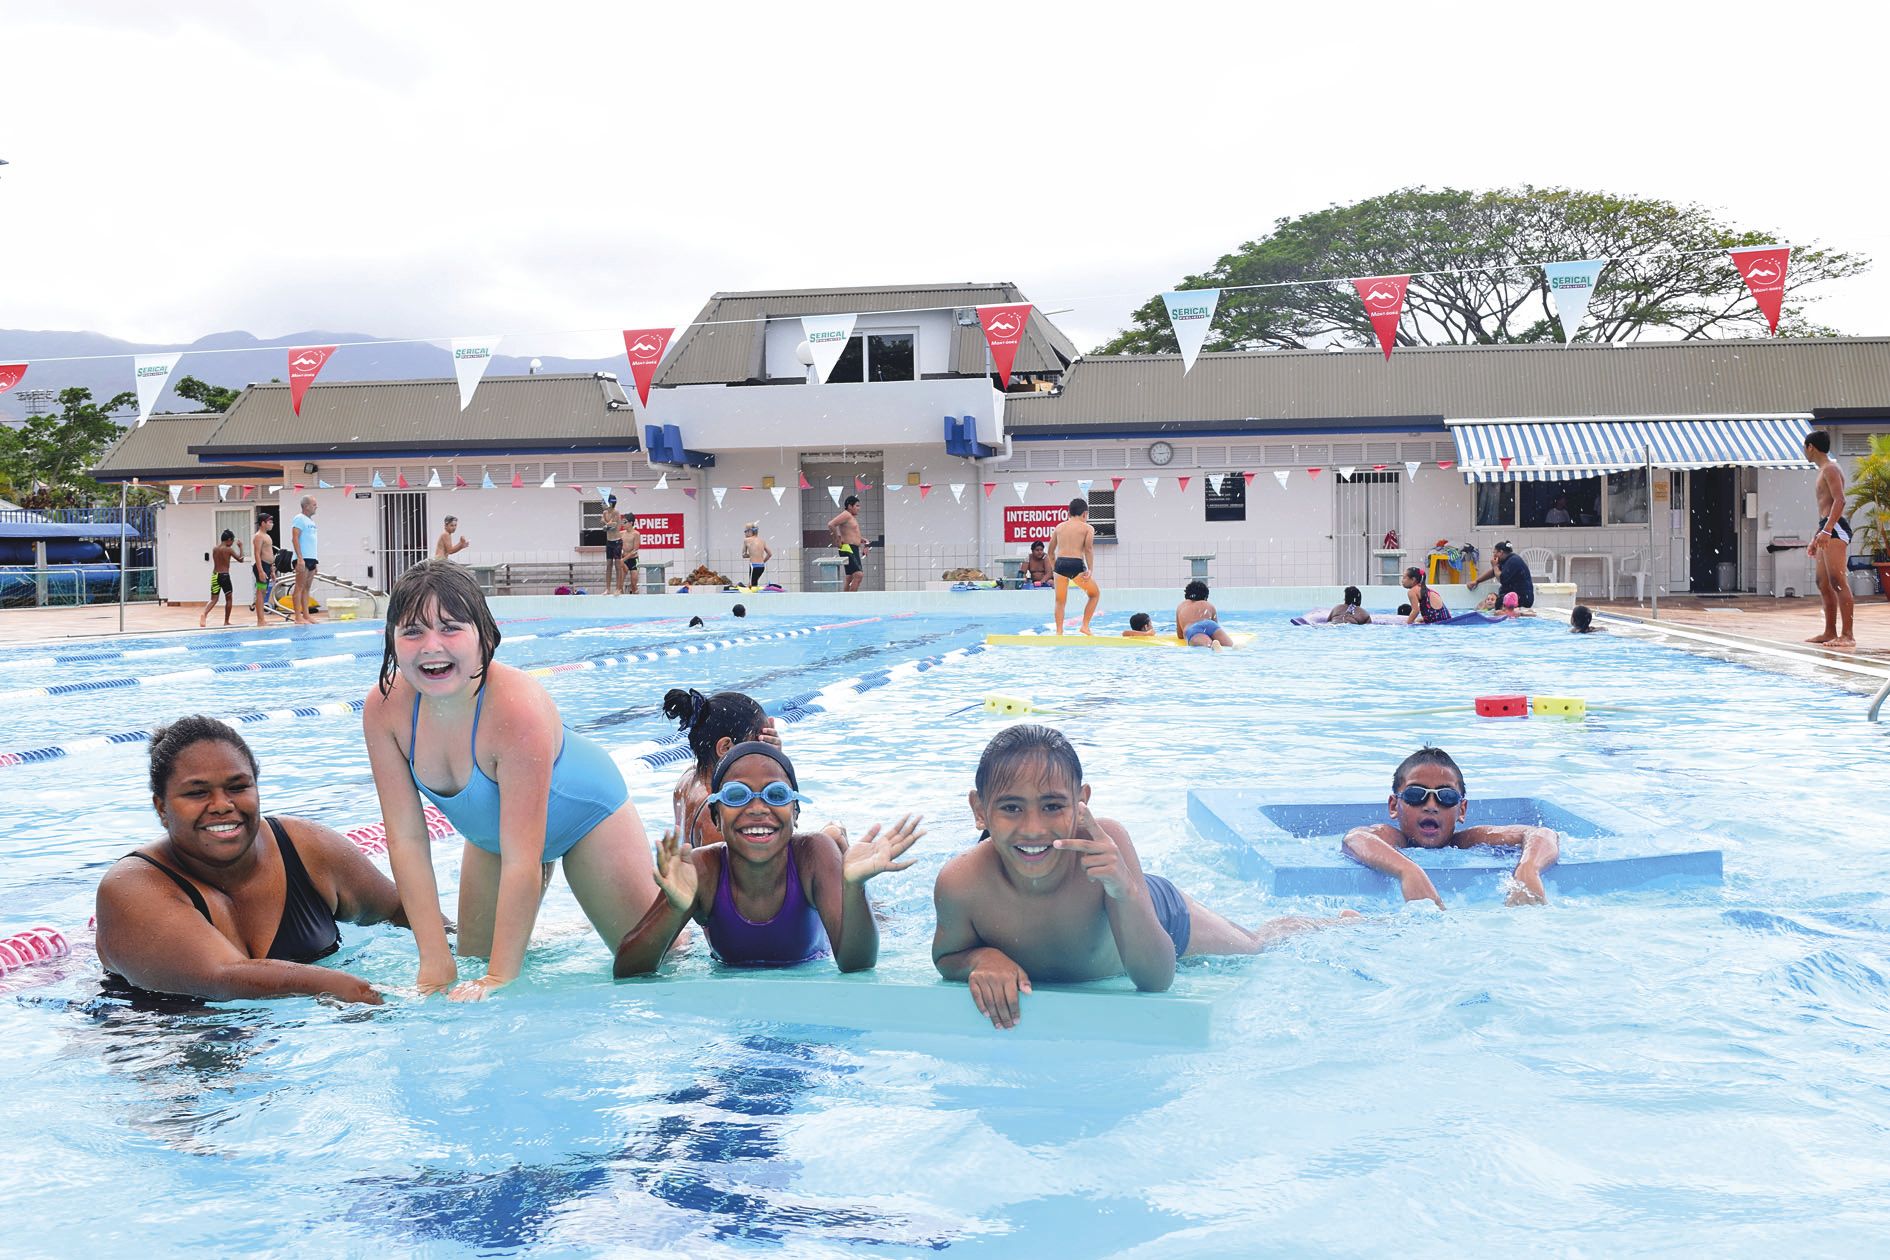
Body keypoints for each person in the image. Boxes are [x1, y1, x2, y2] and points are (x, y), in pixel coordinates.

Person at [932, 725, 1358, 1029]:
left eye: (1052, 806)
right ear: (979, 809)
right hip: (1120, 901)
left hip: (1150, 909)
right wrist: (982, 958)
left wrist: (1125, 890)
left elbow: (1155, 980)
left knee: (1256, 946)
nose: (1033, 829)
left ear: (1082, 803)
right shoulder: (961, 882)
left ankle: (1327, 923)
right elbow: (946, 957)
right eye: (1010, 808)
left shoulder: (1108, 843)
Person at [362, 560, 656, 1000]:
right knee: (471, 961)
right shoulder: (385, 710)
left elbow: (525, 858)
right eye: (413, 632)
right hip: (495, 839)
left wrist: (500, 979)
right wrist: (433, 959)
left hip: (587, 821)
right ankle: (558, 933)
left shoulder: (516, 709)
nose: (431, 646)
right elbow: (405, 839)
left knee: (649, 966)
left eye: (450, 628)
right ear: (391, 641)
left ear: (484, 635)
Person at [93, 716, 410, 1004]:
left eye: (238, 787)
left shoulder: (308, 847)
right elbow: (222, 978)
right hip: (154, 1035)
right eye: (196, 793)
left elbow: (401, 910)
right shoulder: (131, 888)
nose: (221, 805)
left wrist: (455, 953)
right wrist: (348, 989)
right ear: (161, 808)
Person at [615, 742, 922, 975]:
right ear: (716, 818)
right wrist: (673, 908)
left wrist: (855, 887)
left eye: (776, 795)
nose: (758, 808)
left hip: (812, 966)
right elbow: (627, 971)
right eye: (737, 796)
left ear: (796, 813)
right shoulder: (701, 871)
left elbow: (856, 965)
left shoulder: (814, 855)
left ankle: (838, 835)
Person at [1342, 746, 1560, 909]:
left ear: (1462, 810)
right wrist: (1408, 871)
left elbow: (1541, 833)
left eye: (1445, 797)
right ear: (1393, 805)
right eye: (1415, 795)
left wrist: (1529, 868)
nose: (1430, 806)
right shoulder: (1393, 839)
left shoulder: (1468, 841)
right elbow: (1356, 838)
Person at [662, 687, 780, 848]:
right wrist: (777, 769)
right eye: (759, 744)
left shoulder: (689, 778)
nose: (765, 753)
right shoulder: (718, 818)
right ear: (726, 747)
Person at [1805, 430, 1856, 649]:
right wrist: (1816, 536)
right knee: (1822, 582)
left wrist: (1827, 530)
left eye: (1804, 448)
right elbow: (1825, 508)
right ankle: (1829, 631)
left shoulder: (1831, 468)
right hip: (1826, 527)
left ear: (1810, 447)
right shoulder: (1823, 470)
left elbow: (1840, 501)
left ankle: (1848, 634)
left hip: (1835, 528)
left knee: (1837, 580)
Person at [1046, 498, 1100, 635]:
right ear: (1085, 514)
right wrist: (1090, 569)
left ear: (1068, 513)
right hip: (1076, 564)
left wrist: (1055, 568)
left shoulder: (1059, 527)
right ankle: (1085, 626)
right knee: (1094, 594)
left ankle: (1059, 632)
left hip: (1060, 564)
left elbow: (1050, 552)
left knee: (1060, 601)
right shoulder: (1088, 528)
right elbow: (1088, 549)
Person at [1468, 541, 1535, 611]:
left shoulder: (1513, 561)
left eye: (1494, 552)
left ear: (1501, 552)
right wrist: (1477, 581)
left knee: (1492, 607)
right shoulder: (1507, 560)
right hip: (1514, 597)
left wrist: (1494, 566)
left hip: (1522, 600)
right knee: (1484, 605)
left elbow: (1502, 579)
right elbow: (1493, 572)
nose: (1493, 555)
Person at [199, 529, 245, 628]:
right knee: (229, 599)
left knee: (213, 599)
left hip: (215, 575)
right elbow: (241, 560)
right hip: (224, 576)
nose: (232, 543)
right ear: (229, 540)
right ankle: (226, 621)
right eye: (232, 541)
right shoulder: (228, 549)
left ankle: (204, 614)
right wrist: (241, 547)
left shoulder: (215, 549)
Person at [1174, 579, 1235, 647]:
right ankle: (1235, 646)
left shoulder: (1181, 606)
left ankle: (1210, 645)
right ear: (1205, 596)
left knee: (1209, 646)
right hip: (1210, 625)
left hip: (1193, 629)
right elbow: (1215, 625)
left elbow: (1180, 635)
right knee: (1230, 646)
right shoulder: (1209, 605)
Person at [828, 495, 868, 593]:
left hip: (852, 547)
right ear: (850, 506)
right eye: (857, 506)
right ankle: (851, 601)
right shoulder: (846, 514)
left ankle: (845, 601)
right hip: (848, 548)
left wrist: (861, 540)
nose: (859, 508)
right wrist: (837, 539)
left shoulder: (850, 517)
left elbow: (850, 532)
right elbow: (831, 524)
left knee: (850, 577)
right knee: (858, 575)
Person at [290, 495, 320, 625]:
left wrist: (315, 561)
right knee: (299, 587)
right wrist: (300, 559)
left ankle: (306, 615)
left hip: (312, 558)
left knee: (307, 588)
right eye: (314, 504)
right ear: (306, 506)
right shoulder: (299, 519)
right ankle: (298, 617)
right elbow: (295, 538)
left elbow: (311, 543)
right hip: (302, 558)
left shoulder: (311, 522)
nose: (316, 507)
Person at [250, 514, 276, 626]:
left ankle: (262, 619)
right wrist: (261, 571)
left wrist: (272, 570)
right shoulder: (258, 536)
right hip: (261, 566)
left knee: (263, 592)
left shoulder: (267, 536)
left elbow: (269, 554)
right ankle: (260, 620)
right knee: (260, 592)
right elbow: (257, 554)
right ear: (262, 523)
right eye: (269, 522)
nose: (272, 524)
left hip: (267, 566)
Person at [601, 496, 628, 595]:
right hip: (609, 542)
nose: (601, 504)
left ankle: (618, 588)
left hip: (617, 542)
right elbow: (603, 522)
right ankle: (607, 588)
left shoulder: (616, 512)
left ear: (610, 503)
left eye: (603, 502)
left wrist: (606, 525)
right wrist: (608, 524)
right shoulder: (605, 513)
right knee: (608, 565)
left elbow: (614, 526)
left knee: (617, 566)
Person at [741, 523, 772, 589]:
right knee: (754, 583)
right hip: (762, 567)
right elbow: (770, 554)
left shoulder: (746, 540)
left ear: (750, 531)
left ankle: (753, 598)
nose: (745, 533)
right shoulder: (762, 541)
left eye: (745, 531)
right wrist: (762, 561)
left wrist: (751, 555)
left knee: (752, 586)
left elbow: (743, 555)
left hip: (753, 566)